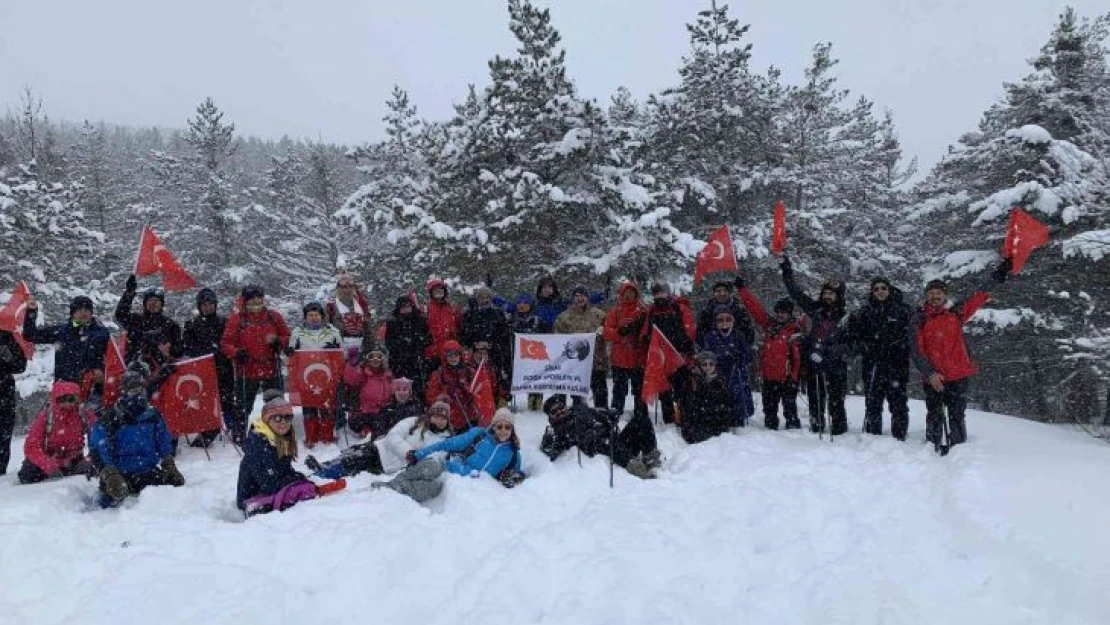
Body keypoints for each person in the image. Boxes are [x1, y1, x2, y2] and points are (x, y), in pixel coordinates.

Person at [910, 259, 1012, 448]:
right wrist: (930, 373)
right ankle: (932, 447)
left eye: (938, 293)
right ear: (926, 297)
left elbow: (979, 295)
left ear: (944, 295)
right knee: (934, 413)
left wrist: (999, 274)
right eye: (931, 293)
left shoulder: (955, 313)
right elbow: (917, 351)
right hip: (933, 378)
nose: (934, 296)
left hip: (957, 374)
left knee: (957, 412)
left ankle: (958, 448)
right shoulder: (919, 319)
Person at [90, 368, 184, 508]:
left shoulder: (153, 416)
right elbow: (99, 448)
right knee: (110, 506)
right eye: (133, 391)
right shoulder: (110, 419)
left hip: (147, 471)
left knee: (172, 498)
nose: (138, 395)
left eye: (141, 390)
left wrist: (168, 463)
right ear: (123, 392)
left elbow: (163, 441)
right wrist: (109, 474)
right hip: (119, 474)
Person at [386, 407, 524, 501]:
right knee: (430, 468)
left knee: (429, 489)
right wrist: (420, 454)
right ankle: (387, 486)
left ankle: (394, 489)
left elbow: (516, 473)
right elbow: (447, 444)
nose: (503, 430)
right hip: (449, 467)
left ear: (512, 429)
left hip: (462, 485)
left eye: (507, 427)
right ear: (493, 426)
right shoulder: (479, 435)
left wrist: (512, 477)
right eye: (499, 426)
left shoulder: (513, 453)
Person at [781, 256, 850, 435]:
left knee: (836, 400)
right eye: (825, 293)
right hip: (815, 362)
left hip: (836, 365)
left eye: (831, 294)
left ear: (838, 296)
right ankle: (815, 426)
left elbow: (851, 343)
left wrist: (832, 352)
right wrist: (787, 272)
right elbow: (796, 294)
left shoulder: (846, 316)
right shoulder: (814, 310)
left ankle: (839, 431)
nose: (827, 296)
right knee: (815, 399)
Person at [305, 398, 453, 480]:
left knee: (353, 462)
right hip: (380, 447)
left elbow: (435, 459)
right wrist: (407, 452)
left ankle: (322, 475)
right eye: (436, 416)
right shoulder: (415, 422)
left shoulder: (444, 441)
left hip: (387, 464)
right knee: (353, 452)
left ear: (447, 421)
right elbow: (393, 435)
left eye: (442, 418)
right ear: (430, 416)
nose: (438, 421)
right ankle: (324, 466)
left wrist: (414, 457)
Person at [220, 285, 290, 444]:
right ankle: (239, 434)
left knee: (275, 403)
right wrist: (237, 352)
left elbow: (287, 336)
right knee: (243, 406)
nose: (255, 303)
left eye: (258, 299)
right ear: (245, 302)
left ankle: (279, 431)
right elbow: (226, 343)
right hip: (247, 369)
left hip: (271, 367)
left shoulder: (274, 317)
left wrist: (279, 342)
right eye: (251, 300)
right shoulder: (237, 319)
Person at [847, 277, 913, 439]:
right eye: (876, 289)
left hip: (896, 364)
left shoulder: (903, 310)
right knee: (873, 402)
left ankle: (899, 435)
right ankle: (872, 435)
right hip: (873, 364)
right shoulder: (865, 312)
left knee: (898, 403)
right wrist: (864, 346)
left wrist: (899, 345)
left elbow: (912, 335)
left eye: (883, 288)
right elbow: (856, 338)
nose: (880, 291)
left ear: (889, 289)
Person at [236, 390, 317, 516]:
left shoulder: (282, 437)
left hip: (273, 492)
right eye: (278, 418)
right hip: (253, 499)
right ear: (268, 419)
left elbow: (285, 470)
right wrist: (296, 479)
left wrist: (297, 478)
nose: (283, 422)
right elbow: (269, 484)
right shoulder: (258, 443)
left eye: (288, 417)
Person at [540, 395, 659, 479]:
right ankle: (633, 465)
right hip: (601, 448)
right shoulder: (558, 431)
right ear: (550, 417)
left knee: (641, 419)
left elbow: (601, 414)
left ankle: (650, 456)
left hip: (614, 438)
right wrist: (550, 439)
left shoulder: (579, 409)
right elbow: (550, 451)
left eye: (561, 408)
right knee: (606, 444)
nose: (560, 412)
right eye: (555, 411)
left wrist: (610, 416)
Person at [737, 288, 804, 430]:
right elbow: (756, 309)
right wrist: (742, 290)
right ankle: (770, 433)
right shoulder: (769, 326)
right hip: (769, 378)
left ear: (790, 314)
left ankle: (795, 438)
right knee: (769, 411)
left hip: (787, 379)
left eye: (783, 312)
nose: (780, 315)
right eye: (778, 312)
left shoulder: (795, 332)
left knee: (790, 410)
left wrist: (794, 378)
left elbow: (797, 359)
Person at [182, 288, 235, 447]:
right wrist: (204, 353)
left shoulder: (224, 322)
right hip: (202, 370)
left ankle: (233, 429)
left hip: (223, 368)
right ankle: (209, 430)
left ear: (215, 305)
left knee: (227, 401)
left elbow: (231, 342)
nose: (207, 307)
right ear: (199, 306)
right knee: (205, 401)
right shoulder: (191, 324)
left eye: (210, 304)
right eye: (204, 304)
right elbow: (187, 347)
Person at [16, 381, 96, 484]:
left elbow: (99, 438)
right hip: (48, 459)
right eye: (62, 399)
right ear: (55, 400)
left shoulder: (83, 415)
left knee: (98, 468)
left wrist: (90, 458)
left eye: (72, 399)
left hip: (75, 461)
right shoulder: (46, 416)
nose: (68, 404)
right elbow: (31, 446)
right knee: (28, 474)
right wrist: (48, 465)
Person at [23, 294, 110, 386]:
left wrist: (100, 370)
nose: (83, 313)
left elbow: (112, 359)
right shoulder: (61, 331)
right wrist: (31, 311)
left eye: (87, 309)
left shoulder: (102, 333)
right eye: (79, 310)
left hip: (93, 388)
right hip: (65, 388)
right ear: (73, 313)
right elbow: (31, 335)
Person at [288, 301, 343, 447]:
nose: (313, 318)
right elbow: (289, 355)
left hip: (327, 376)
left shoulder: (333, 331)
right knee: (309, 405)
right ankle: (311, 436)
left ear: (322, 316)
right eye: (310, 315)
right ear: (305, 317)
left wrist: (334, 349)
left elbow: (340, 354)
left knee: (327, 405)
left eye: (316, 315)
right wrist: (290, 352)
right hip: (307, 376)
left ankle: (327, 436)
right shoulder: (297, 332)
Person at [640, 283, 696, 424]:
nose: (660, 296)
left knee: (681, 389)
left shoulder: (679, 308)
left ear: (668, 293)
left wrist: (684, 344)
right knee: (664, 390)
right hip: (662, 358)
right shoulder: (652, 311)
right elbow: (646, 331)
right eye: (656, 293)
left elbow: (690, 329)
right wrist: (646, 339)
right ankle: (669, 419)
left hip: (679, 356)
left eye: (662, 292)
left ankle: (683, 418)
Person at [697, 290, 756, 427]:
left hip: (736, 371)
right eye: (720, 319)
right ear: (715, 321)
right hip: (717, 372)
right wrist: (712, 358)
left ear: (732, 320)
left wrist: (741, 357)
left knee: (737, 394)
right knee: (719, 395)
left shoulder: (738, 335)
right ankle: (720, 418)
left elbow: (748, 354)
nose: (724, 322)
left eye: (727, 319)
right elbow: (704, 353)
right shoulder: (710, 336)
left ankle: (739, 417)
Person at [553, 285, 609, 409]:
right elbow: (557, 339)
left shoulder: (599, 315)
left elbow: (610, 334)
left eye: (582, 295)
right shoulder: (563, 317)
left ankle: (603, 419)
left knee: (600, 395)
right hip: (575, 365)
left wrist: (604, 332)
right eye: (576, 296)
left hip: (596, 362)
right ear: (572, 299)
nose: (580, 299)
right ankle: (578, 420)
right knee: (577, 398)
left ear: (587, 297)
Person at [602, 282, 648, 422]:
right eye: (625, 292)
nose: (628, 295)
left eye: (631, 292)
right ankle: (616, 410)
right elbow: (606, 332)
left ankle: (641, 412)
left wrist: (641, 332)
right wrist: (619, 332)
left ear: (636, 294)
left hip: (637, 357)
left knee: (639, 389)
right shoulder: (615, 311)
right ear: (621, 294)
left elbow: (649, 330)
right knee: (619, 388)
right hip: (619, 358)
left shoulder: (643, 311)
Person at [115, 277, 183, 366]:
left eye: (156, 300)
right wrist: (129, 293)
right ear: (145, 303)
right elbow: (120, 315)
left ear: (162, 304)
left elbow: (179, 350)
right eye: (150, 300)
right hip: (135, 366)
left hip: (162, 368)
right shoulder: (136, 320)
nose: (153, 303)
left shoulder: (171, 325)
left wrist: (169, 350)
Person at [425, 340, 485, 431]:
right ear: (445, 357)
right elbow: (431, 397)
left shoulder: (469, 372)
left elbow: (480, 391)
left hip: (470, 418)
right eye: (450, 355)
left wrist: (467, 390)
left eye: (456, 354)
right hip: (449, 421)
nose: (453, 358)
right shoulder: (438, 375)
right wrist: (444, 395)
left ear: (460, 355)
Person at [460, 285, 511, 388]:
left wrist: (491, 344)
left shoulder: (498, 313)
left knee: (495, 380)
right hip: (475, 354)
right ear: (477, 298)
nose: (484, 300)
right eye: (481, 297)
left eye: (487, 297)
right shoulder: (470, 314)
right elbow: (465, 334)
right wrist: (475, 344)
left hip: (495, 353)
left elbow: (503, 333)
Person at [383, 295, 431, 401]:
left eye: (408, 306)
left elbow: (428, 339)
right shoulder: (393, 322)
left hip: (417, 361)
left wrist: (418, 341)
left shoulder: (420, 320)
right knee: (401, 389)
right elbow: (389, 343)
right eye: (403, 307)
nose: (406, 309)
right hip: (399, 362)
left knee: (418, 389)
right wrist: (402, 343)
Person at [680, 352, 735, 444]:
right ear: (700, 365)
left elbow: (727, 403)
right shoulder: (693, 380)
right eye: (704, 364)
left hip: (716, 421)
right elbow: (688, 405)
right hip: (699, 421)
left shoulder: (721, 380)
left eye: (711, 364)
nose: (708, 367)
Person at [509, 293, 548, 411]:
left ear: (530, 305)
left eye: (525, 303)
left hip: (534, 355)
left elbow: (546, 336)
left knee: (535, 377)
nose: (522, 305)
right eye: (519, 302)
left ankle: (535, 399)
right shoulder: (511, 319)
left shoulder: (537, 320)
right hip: (516, 355)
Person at [344, 345, 393, 439]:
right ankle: (367, 432)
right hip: (365, 411)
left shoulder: (387, 374)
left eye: (378, 357)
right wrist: (351, 365)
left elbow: (392, 390)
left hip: (382, 411)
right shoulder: (363, 372)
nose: (375, 360)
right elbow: (350, 380)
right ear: (367, 359)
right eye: (372, 357)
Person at [0, 328, 28, 475]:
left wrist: (8, 356)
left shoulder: (6, 337)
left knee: (3, 438)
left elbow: (20, 366)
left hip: (4, 396)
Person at [696, 279, 756, 347]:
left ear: (729, 293)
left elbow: (749, 332)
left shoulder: (739, 309)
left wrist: (739, 345)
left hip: (737, 351)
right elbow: (700, 334)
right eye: (718, 291)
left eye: (725, 291)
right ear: (714, 293)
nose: (722, 294)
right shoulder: (707, 311)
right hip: (713, 351)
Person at [423, 278, 462, 374]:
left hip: (451, 351)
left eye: (441, 290)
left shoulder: (450, 307)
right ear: (431, 292)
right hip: (433, 352)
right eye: (436, 290)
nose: (439, 293)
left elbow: (458, 326)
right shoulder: (427, 308)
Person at [325, 273, 372, 351]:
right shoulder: (331, 306)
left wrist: (370, 349)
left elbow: (368, 329)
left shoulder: (361, 305)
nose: (348, 290)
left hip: (360, 349)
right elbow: (326, 330)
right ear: (338, 288)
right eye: (344, 287)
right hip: (339, 348)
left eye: (351, 286)